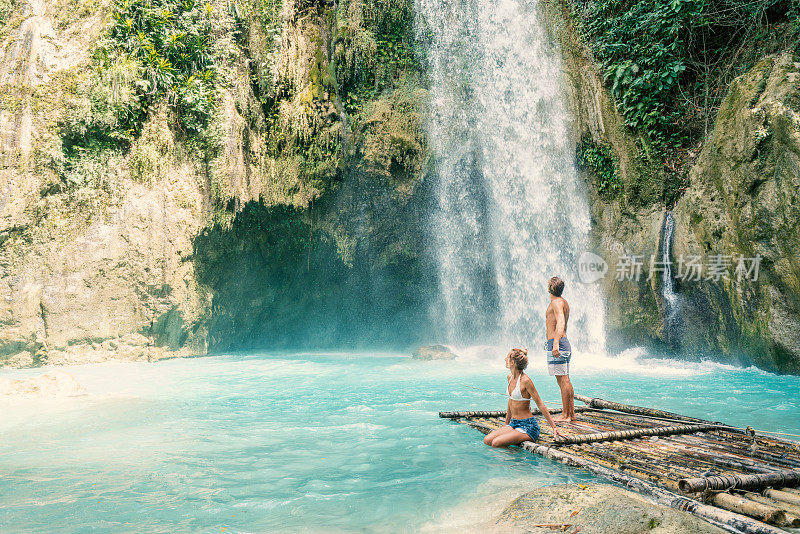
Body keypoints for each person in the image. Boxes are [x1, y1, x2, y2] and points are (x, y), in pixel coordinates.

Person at [483, 348, 561, 447]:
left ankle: (515, 461)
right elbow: (511, 401)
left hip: (528, 426)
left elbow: (539, 403)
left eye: (507, 357)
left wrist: (554, 427)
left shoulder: (525, 380)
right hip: (514, 424)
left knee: (496, 443)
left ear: (512, 362)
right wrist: (506, 424)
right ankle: (512, 457)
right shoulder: (509, 377)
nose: (504, 359)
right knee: (487, 440)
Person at [545, 276, 576, 422]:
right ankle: (571, 414)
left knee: (563, 380)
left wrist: (555, 343)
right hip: (564, 343)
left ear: (550, 288)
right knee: (566, 380)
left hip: (558, 344)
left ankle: (565, 415)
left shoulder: (556, 302)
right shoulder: (564, 302)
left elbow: (560, 322)